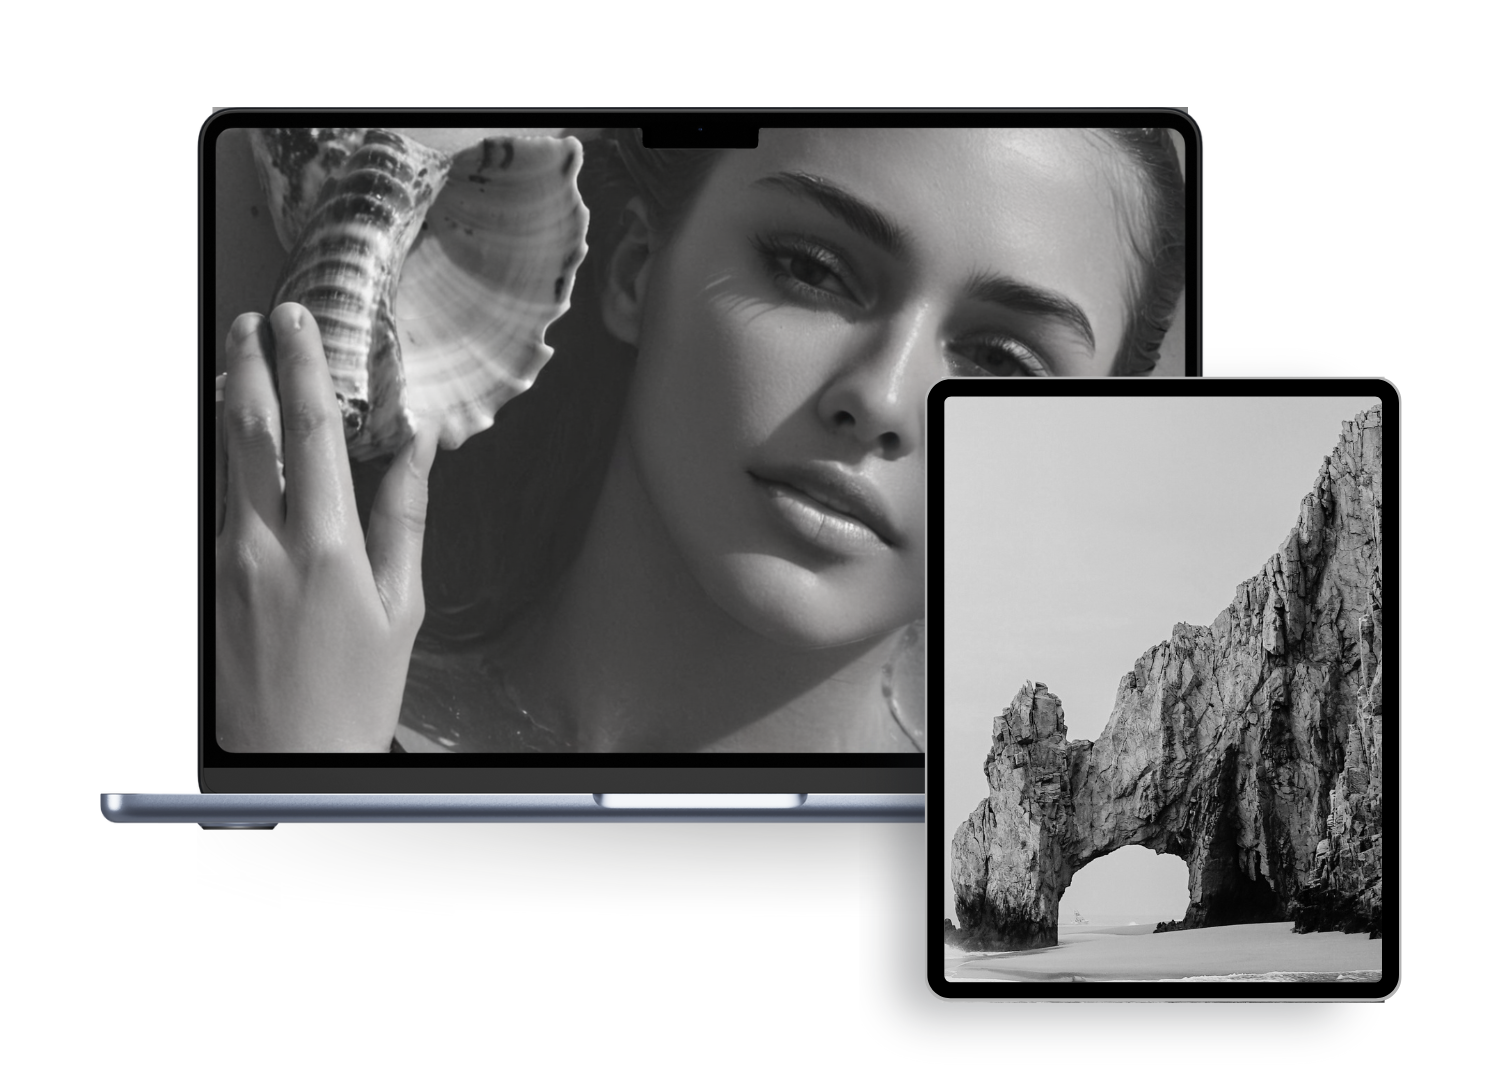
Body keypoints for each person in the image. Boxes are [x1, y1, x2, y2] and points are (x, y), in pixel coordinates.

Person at [215, 126, 1186, 754]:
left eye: (1004, 365)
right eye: (812, 268)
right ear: (638, 269)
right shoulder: (268, 709)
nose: (884, 398)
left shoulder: (992, 887)